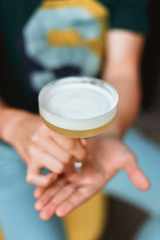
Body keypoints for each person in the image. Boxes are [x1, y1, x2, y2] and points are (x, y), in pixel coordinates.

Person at [0, 0, 150, 239]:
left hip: (101, 132)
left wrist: (110, 134)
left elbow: (123, 73)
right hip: (9, 146)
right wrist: (14, 125)